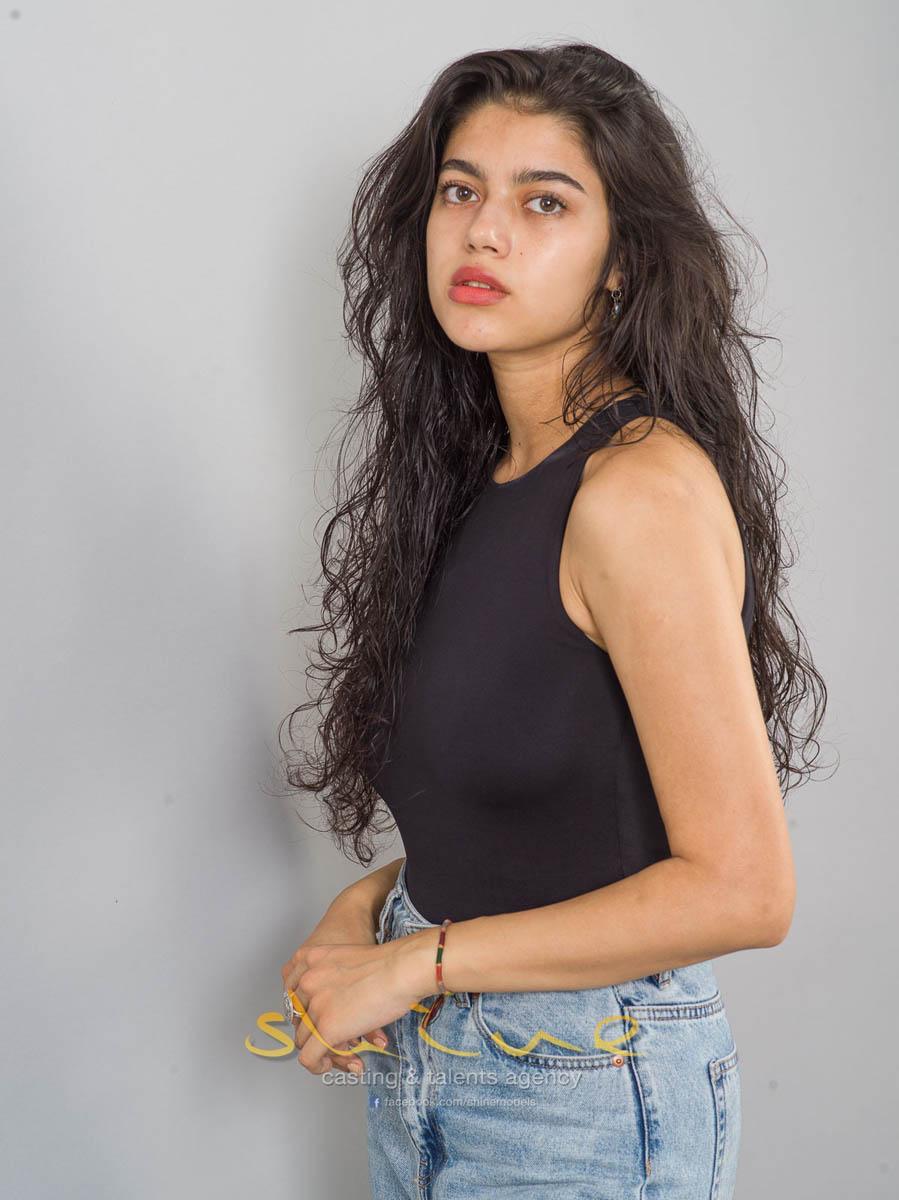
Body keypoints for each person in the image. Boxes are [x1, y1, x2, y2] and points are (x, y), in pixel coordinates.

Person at [278, 41, 829, 1199]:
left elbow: (742, 889)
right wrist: (366, 911)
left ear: (621, 262)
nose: (483, 233)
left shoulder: (633, 493)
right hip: (447, 1065)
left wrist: (417, 965)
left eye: (543, 203)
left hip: (579, 1087)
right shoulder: (476, 480)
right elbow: (544, 819)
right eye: (459, 191)